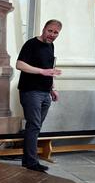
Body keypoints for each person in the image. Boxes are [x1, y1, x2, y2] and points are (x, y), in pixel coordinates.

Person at [16, 19, 62, 173]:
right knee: (34, 126)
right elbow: (19, 65)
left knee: (35, 127)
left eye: (56, 32)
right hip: (30, 92)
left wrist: (52, 88)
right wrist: (41, 71)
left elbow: (50, 69)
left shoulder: (51, 46)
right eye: (50, 31)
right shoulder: (31, 44)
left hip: (45, 93)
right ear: (44, 29)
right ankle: (31, 162)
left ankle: (27, 160)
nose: (52, 35)